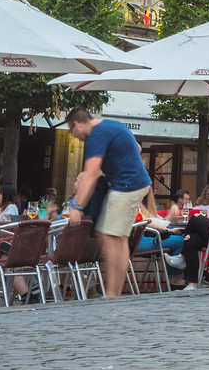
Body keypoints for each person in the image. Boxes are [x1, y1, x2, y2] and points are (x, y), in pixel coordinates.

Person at [63, 106, 152, 297]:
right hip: (137, 183)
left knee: (108, 236)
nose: (74, 136)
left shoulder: (96, 134)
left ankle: (111, 295)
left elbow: (91, 174)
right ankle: (115, 294)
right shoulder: (111, 125)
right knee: (119, 239)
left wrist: (78, 206)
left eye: (71, 131)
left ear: (77, 124)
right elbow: (137, 148)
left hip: (126, 186)